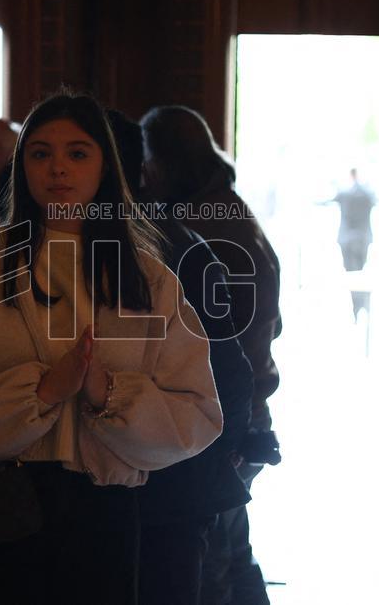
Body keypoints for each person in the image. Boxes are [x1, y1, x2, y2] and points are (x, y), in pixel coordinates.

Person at [0, 93, 223, 604]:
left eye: (78, 153)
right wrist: (41, 392)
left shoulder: (147, 278)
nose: (58, 168)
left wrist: (109, 394)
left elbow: (197, 411)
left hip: (105, 518)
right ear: (22, 165)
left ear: (104, 166)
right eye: (40, 153)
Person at [108, 110, 255, 605]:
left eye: (78, 155)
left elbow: (229, 366)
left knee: (210, 576)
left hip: (170, 480)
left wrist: (219, 443)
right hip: (171, 475)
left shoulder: (174, 243)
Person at [142, 105, 282, 605]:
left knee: (213, 566)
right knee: (232, 552)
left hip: (226, 417)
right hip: (247, 409)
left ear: (159, 163)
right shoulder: (228, 207)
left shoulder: (201, 228)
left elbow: (216, 341)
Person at [327, 167, 376, 319]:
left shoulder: (344, 193)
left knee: (352, 273)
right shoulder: (367, 194)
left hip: (347, 241)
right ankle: (361, 304)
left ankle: (357, 306)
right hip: (362, 239)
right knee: (360, 272)